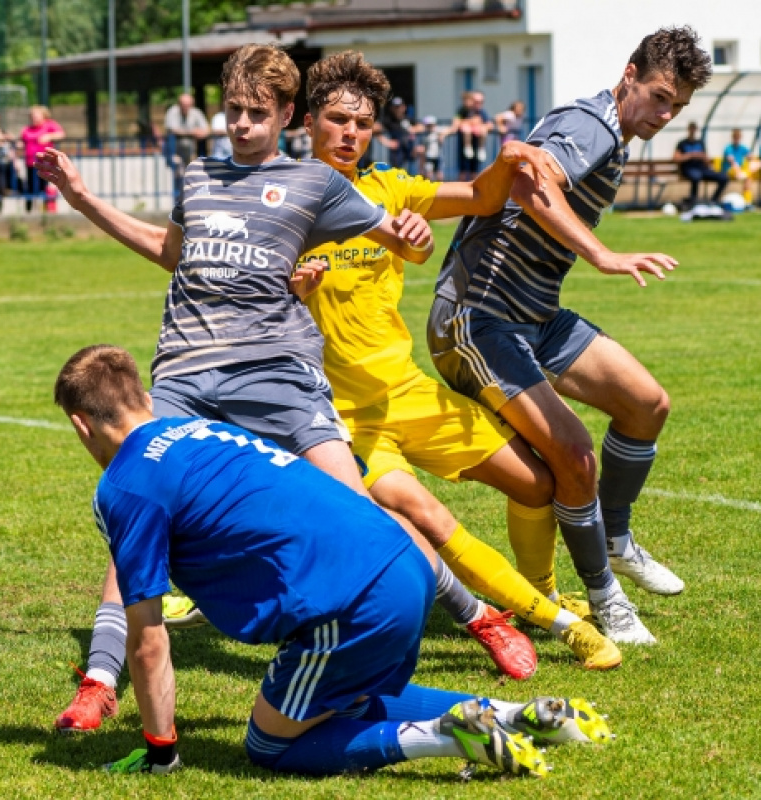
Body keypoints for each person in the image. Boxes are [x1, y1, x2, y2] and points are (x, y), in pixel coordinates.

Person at [39, 43, 502, 732]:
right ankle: (101, 680)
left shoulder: (316, 183)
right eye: (233, 111)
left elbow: (406, 240)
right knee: (137, 505)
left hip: (276, 368)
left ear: (287, 114)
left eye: (258, 113)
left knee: (356, 506)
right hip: (188, 371)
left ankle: (475, 612)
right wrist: (79, 198)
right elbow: (171, 255)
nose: (242, 125)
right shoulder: (197, 175)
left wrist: (414, 234)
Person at [53, 343, 613, 777]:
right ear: (145, 398)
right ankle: (521, 716)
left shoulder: (124, 487)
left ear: (81, 424)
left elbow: (149, 639)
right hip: (406, 564)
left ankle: (447, 734)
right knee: (353, 699)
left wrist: (161, 751)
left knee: (269, 744)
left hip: (349, 602)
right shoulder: (211, 429)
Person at [298, 50, 620, 669]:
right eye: (337, 119)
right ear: (307, 122)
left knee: (536, 482)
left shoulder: (390, 187)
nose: (350, 134)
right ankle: (547, 622)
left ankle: (542, 591)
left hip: (408, 391)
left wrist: (506, 161)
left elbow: (477, 197)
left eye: (362, 124)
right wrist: (294, 291)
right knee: (427, 513)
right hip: (340, 418)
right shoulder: (285, 199)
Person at [429, 26, 711, 645]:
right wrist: (603, 255)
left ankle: (615, 536)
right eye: (661, 96)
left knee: (647, 403)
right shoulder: (593, 125)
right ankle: (605, 600)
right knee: (575, 456)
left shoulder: (611, 130)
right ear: (630, 72)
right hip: (478, 316)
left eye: (679, 107)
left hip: (534, 313)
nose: (666, 115)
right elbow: (532, 186)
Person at [163, 93, 210, 198]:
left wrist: (200, 133)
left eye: (188, 105)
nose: (186, 108)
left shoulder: (196, 113)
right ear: (179, 104)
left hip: (190, 152)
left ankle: (189, 201)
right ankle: (177, 203)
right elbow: (172, 130)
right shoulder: (172, 112)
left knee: (192, 177)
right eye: (183, 105)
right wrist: (192, 132)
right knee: (179, 177)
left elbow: (206, 130)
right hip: (174, 152)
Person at [20, 105, 65, 212]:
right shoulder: (27, 128)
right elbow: (21, 141)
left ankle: (46, 211)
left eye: (36, 115)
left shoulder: (49, 125)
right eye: (31, 116)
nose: (33, 118)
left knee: (44, 187)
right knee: (30, 188)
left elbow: (61, 134)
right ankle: (29, 212)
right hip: (30, 163)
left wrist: (49, 136)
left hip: (45, 164)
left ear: (43, 116)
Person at [673, 121, 727, 207]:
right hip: (688, 169)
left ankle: (714, 200)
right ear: (688, 130)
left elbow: (707, 160)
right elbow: (676, 158)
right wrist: (690, 155)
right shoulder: (682, 143)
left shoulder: (700, 143)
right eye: (691, 129)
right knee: (696, 176)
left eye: (694, 129)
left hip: (702, 169)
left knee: (723, 177)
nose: (693, 131)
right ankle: (693, 202)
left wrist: (703, 157)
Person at [447, 91, 493, 180]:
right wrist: (470, 122)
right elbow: (456, 124)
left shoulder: (481, 112)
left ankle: (473, 192)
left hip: (476, 143)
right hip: (464, 145)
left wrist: (481, 126)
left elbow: (489, 125)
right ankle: (460, 192)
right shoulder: (462, 110)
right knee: (463, 170)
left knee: (475, 170)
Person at [377, 97, 420, 170]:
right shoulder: (388, 120)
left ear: (404, 107)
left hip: (410, 149)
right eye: (395, 107)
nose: (397, 109)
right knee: (397, 171)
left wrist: (413, 129)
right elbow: (375, 131)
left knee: (412, 172)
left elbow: (421, 127)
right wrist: (387, 142)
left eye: (399, 107)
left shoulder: (408, 118)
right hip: (397, 151)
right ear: (391, 108)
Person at [721, 128, 756, 206]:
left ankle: (747, 202)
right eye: (735, 137)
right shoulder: (728, 148)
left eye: (738, 137)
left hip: (739, 171)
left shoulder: (742, 147)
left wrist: (753, 161)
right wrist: (738, 171)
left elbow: (750, 156)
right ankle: (747, 202)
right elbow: (732, 161)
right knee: (745, 176)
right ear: (733, 137)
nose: (737, 138)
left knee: (748, 177)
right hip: (729, 170)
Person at [418, 115, 446, 180]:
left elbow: (448, 130)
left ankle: (440, 189)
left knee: (440, 175)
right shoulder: (423, 135)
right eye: (428, 125)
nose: (430, 127)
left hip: (438, 156)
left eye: (431, 125)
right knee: (429, 175)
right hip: (428, 157)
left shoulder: (439, 132)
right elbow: (422, 148)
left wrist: (442, 136)